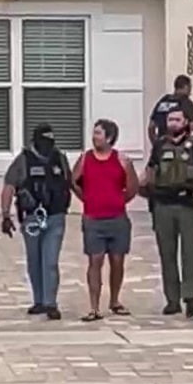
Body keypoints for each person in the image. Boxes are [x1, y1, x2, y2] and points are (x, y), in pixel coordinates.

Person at [141, 107, 193, 319]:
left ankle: (191, 298)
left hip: (189, 205)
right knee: (167, 253)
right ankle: (172, 300)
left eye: (177, 119)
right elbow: (149, 172)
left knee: (189, 253)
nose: (173, 123)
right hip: (163, 205)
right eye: (170, 120)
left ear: (185, 122)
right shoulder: (159, 145)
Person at [0, 123, 72, 320]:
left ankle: (51, 303)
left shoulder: (60, 159)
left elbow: (71, 184)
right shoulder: (23, 161)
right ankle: (39, 300)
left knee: (50, 261)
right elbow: (9, 187)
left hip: (56, 216)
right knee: (34, 260)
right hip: (32, 217)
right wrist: (6, 215)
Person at [71, 119, 138, 322]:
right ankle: (93, 306)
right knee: (95, 261)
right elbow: (74, 182)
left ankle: (115, 300)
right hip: (93, 219)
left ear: (109, 137)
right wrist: (88, 198)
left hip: (117, 218)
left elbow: (133, 187)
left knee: (117, 261)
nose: (94, 137)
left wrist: (118, 200)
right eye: (94, 133)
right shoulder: (85, 159)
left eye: (99, 133)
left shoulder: (122, 160)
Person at [146, 74, 193, 228]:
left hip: (162, 150)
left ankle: (158, 216)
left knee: (156, 181)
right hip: (181, 152)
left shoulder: (163, 101)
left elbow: (151, 126)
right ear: (186, 87)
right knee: (181, 179)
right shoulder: (185, 103)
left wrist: (157, 145)